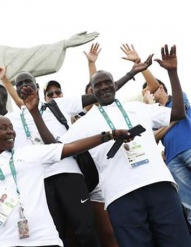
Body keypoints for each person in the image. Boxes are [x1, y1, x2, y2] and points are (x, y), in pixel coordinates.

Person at [62, 45, 191, 246]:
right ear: (92, 92)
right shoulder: (84, 124)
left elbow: (178, 113)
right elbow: (57, 149)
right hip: (121, 196)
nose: (104, 87)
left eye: (108, 82)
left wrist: (172, 72)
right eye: (98, 85)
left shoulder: (137, 107)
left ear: (115, 85)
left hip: (160, 186)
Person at [0, 106, 132, 246]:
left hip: (43, 238)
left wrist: (108, 135)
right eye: (3, 128)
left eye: (11, 127)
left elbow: (72, 147)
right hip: (4, 242)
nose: (10, 132)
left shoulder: (31, 153)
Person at [143, 79, 191, 225]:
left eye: (149, 91)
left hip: (189, 147)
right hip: (172, 159)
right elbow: (152, 138)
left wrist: (163, 127)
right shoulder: (153, 115)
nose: (147, 95)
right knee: (188, 204)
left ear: (161, 88)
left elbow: (180, 112)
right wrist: (150, 108)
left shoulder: (178, 97)